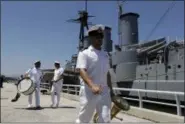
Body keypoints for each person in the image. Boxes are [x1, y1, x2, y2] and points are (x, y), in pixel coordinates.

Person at [75, 24, 114, 123]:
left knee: (105, 119)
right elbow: (81, 70)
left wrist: (111, 90)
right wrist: (92, 86)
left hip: (104, 91)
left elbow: (107, 73)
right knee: (84, 119)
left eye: (101, 37)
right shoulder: (84, 54)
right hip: (89, 91)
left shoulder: (105, 55)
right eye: (97, 37)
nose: (100, 39)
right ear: (91, 38)